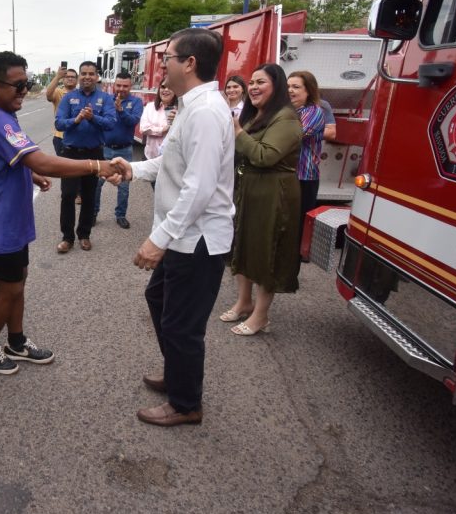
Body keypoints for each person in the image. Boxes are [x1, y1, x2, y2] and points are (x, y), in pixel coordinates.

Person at [108, 27, 234, 427]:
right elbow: (171, 162)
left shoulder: (207, 112)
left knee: (183, 325)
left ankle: (185, 404)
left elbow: (199, 187)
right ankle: (178, 372)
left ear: (190, 63)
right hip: (183, 236)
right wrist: (133, 169)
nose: (161, 67)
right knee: (159, 300)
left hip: (197, 240)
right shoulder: (190, 106)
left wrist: (157, 240)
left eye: (168, 59)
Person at [0, 52, 119, 374]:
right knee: (10, 288)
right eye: (18, 85)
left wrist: (29, 174)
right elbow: (41, 160)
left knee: (19, 280)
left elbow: (3, 158)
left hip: (8, 217)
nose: (24, 90)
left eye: (27, 83)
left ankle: (16, 341)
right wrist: (96, 165)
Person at [221, 63, 303, 336]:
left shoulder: (286, 118)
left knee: (267, 252)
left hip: (274, 194)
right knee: (244, 245)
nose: (254, 87)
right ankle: (244, 302)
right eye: (252, 82)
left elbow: (265, 155)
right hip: (249, 188)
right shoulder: (256, 114)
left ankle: (261, 315)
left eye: (261, 82)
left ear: (276, 86)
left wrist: (238, 133)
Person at [54, 61, 115, 253]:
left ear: (97, 76)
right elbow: (59, 123)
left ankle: (84, 235)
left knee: (89, 196)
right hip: (71, 153)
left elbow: (111, 123)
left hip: (94, 153)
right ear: (79, 76)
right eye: (84, 73)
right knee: (68, 195)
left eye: (91, 73)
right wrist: (77, 119)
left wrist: (93, 118)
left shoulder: (105, 98)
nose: (87, 77)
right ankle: (67, 237)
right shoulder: (68, 97)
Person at [94, 71, 143, 229]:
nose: (121, 89)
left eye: (125, 86)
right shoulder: (106, 100)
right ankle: (93, 214)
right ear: (114, 85)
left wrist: (121, 110)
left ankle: (120, 215)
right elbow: (98, 121)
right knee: (97, 184)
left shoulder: (136, 102)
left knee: (123, 187)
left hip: (125, 151)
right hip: (105, 150)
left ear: (131, 86)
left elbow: (133, 121)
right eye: (119, 85)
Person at [287, 71, 326, 235]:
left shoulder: (314, 111)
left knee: (298, 226)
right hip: (288, 175)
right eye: (288, 86)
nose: (290, 90)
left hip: (304, 177)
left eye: (296, 87)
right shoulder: (289, 111)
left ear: (308, 90)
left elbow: (295, 135)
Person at [45, 65, 79, 154]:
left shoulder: (81, 94)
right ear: (63, 79)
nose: (70, 79)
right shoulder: (58, 92)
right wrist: (57, 77)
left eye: (73, 77)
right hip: (61, 137)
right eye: (67, 77)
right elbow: (48, 95)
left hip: (78, 137)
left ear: (77, 80)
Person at [138, 83, 177, 160]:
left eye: (170, 87)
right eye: (163, 87)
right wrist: (162, 130)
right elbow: (143, 129)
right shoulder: (150, 107)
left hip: (170, 159)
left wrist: (177, 120)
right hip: (149, 157)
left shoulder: (181, 109)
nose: (166, 90)